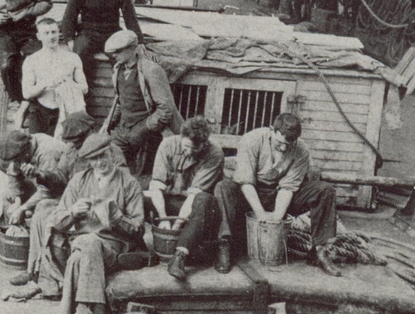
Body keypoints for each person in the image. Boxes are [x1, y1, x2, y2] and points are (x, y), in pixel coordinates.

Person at [38, 134, 145, 314]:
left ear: (112, 153)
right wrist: (73, 212)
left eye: (103, 156)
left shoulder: (128, 183)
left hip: (113, 249)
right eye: (93, 159)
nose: (99, 162)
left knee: (80, 254)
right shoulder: (79, 181)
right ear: (88, 161)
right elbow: (57, 220)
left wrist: (117, 217)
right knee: (85, 246)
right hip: (82, 243)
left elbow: (138, 229)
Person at [213, 113, 341, 277]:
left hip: (281, 194)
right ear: (272, 130)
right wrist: (260, 215)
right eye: (280, 143)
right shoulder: (251, 139)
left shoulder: (301, 149)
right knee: (223, 187)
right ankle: (224, 244)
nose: (284, 148)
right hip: (252, 191)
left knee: (326, 190)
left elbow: (288, 188)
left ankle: (320, 251)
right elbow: (246, 182)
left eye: (289, 144)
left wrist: (275, 220)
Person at [9, 113, 126, 290]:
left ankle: (60, 278)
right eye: (73, 142)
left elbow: (121, 183)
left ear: (91, 131)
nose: (76, 145)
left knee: (60, 221)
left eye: (79, 141)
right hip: (73, 200)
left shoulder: (110, 151)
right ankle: (34, 269)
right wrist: (40, 174)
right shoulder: (72, 150)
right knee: (42, 208)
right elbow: (60, 177)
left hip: (98, 206)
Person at [146, 117, 224, 280]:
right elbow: (156, 187)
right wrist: (163, 218)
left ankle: (180, 256)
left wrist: (176, 225)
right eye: (186, 146)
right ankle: (140, 251)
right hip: (170, 202)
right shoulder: (167, 145)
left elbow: (193, 196)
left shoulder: (215, 153)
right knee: (140, 197)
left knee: (204, 200)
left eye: (194, 149)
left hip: (195, 208)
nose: (188, 152)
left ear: (204, 144)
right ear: (182, 137)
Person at [60, 0, 143, 93]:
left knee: (124, 58)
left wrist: (139, 42)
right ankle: (82, 97)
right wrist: (70, 40)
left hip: (112, 32)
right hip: (88, 32)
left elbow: (130, 18)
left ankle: (123, 95)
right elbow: (68, 19)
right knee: (79, 55)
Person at [103, 30, 180, 175]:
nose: (114, 55)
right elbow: (120, 102)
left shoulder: (151, 70)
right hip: (124, 131)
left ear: (132, 48)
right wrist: (108, 124)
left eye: (118, 51)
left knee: (143, 175)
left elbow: (166, 109)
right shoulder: (118, 70)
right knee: (108, 163)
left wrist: (142, 129)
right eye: (113, 52)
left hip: (149, 133)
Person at [14, 18, 88, 137]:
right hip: (40, 112)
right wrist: (45, 83)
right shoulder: (31, 60)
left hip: (65, 110)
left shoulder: (72, 58)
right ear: (39, 36)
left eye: (54, 32)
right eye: (46, 33)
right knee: (37, 144)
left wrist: (69, 82)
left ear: (59, 33)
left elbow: (84, 89)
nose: (51, 36)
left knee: (63, 145)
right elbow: (26, 93)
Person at [0, 131, 70, 225]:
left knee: (42, 206)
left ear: (26, 151)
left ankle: (31, 226)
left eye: (17, 160)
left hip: (61, 191)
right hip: (40, 186)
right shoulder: (22, 149)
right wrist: (17, 202)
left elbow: (48, 190)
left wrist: (22, 209)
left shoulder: (48, 151)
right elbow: (13, 175)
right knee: (7, 195)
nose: (16, 163)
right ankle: (18, 227)